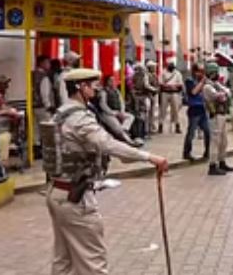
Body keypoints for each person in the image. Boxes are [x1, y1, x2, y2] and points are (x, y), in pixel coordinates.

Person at [44, 68, 168, 275]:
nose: (97, 90)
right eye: (93, 86)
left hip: (58, 192)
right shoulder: (79, 118)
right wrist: (149, 157)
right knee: (93, 264)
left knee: (63, 261)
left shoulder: (61, 113)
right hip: (76, 199)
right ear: (81, 87)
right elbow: (107, 144)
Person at [203, 62, 233, 175]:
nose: (216, 74)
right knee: (215, 141)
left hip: (222, 114)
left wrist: (224, 93)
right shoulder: (207, 86)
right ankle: (212, 165)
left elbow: (228, 93)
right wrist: (223, 94)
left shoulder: (216, 84)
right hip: (214, 115)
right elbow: (220, 97)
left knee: (223, 141)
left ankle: (222, 161)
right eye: (214, 72)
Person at [96, 75, 140, 147]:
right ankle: (129, 141)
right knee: (117, 127)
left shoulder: (116, 91)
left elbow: (121, 102)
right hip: (107, 114)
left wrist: (122, 112)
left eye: (113, 80)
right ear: (107, 82)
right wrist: (113, 113)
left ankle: (124, 130)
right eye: (111, 80)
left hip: (118, 112)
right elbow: (103, 105)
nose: (113, 82)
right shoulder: (103, 92)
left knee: (130, 117)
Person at [182, 63, 211, 161]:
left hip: (202, 108)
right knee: (191, 132)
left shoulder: (201, 81)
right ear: (194, 71)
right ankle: (187, 152)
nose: (201, 74)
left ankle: (207, 151)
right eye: (199, 71)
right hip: (194, 109)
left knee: (207, 131)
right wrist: (202, 82)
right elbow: (193, 92)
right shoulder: (189, 81)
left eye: (202, 72)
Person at [33, 55, 55, 152]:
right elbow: (44, 93)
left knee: (35, 130)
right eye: (47, 62)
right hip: (42, 107)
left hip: (33, 105)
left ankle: (36, 147)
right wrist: (48, 106)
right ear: (41, 63)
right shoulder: (44, 77)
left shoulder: (32, 74)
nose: (49, 65)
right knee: (46, 129)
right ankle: (46, 149)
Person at [132, 62, 157, 139]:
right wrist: (154, 90)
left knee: (139, 114)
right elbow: (146, 86)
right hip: (144, 96)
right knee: (146, 114)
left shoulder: (134, 76)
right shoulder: (145, 75)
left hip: (137, 97)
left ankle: (140, 132)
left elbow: (133, 86)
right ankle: (145, 132)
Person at [159, 60, 183, 134]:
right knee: (163, 110)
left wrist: (174, 86)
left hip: (174, 93)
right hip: (165, 93)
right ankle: (160, 125)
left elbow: (180, 84)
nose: (171, 66)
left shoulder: (177, 73)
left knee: (175, 111)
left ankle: (177, 126)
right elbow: (160, 83)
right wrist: (167, 86)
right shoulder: (163, 72)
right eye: (170, 65)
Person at [145, 61, 160, 135]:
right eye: (153, 67)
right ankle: (147, 129)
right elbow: (146, 85)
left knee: (152, 113)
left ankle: (151, 127)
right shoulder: (147, 75)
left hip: (154, 95)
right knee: (148, 112)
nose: (155, 68)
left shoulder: (154, 75)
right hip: (149, 95)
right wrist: (154, 89)